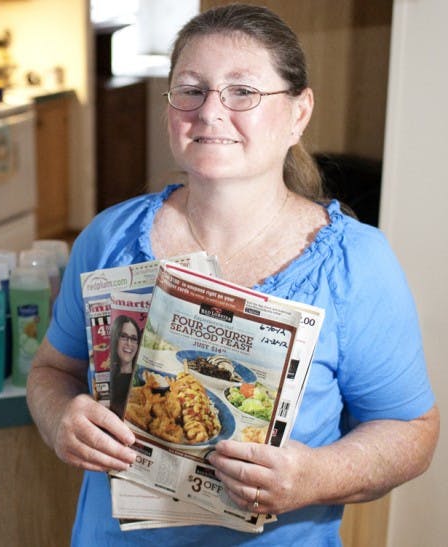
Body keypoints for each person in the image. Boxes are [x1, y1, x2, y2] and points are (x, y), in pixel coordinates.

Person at [27, 4, 439, 545]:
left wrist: (315, 477)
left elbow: (411, 432)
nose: (211, 112)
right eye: (190, 89)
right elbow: (52, 371)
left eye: (243, 91)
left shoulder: (355, 264)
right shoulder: (107, 236)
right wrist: (60, 419)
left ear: (298, 113)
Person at [108, 315, 142, 419]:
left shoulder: (141, 380)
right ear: (115, 339)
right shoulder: (106, 377)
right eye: (123, 336)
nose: (129, 343)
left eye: (133, 338)